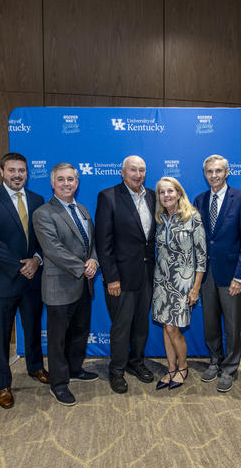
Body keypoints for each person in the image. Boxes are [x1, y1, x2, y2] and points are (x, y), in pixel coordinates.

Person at [0, 153, 49, 410]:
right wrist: (20, 267)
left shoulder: (38, 200)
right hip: (2, 279)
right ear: (1, 171)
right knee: (1, 335)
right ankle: (2, 384)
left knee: (32, 326)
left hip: (33, 277)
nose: (17, 175)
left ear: (27, 173)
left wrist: (37, 260)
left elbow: (42, 238)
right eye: (12, 170)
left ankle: (35, 367)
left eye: (22, 171)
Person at [33, 163, 99, 406]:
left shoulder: (82, 209)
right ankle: (59, 383)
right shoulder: (43, 213)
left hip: (84, 284)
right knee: (58, 337)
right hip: (59, 285)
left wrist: (94, 259)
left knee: (80, 331)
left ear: (77, 182)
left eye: (71, 179)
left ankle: (74, 369)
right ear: (52, 183)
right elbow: (53, 250)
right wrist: (83, 267)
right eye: (61, 179)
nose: (66, 183)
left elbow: (91, 242)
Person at [192, 155, 241, 392]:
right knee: (210, 324)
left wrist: (240, 276)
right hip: (206, 274)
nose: (214, 175)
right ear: (205, 173)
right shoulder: (200, 199)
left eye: (218, 171)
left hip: (232, 276)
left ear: (227, 172)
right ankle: (215, 360)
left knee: (231, 325)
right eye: (209, 171)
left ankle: (230, 368)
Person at [95, 155, 156, 394]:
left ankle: (136, 362)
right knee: (121, 327)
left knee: (141, 325)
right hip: (119, 278)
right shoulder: (108, 196)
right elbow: (104, 243)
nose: (138, 174)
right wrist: (111, 278)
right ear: (122, 172)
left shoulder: (152, 196)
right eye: (133, 170)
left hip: (146, 275)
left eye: (142, 170)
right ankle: (117, 370)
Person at [152, 177, 206, 390]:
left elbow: (201, 256)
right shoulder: (160, 219)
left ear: (179, 193)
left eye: (170, 191)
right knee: (166, 327)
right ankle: (171, 368)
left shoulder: (192, 217)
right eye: (162, 192)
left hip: (183, 284)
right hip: (161, 282)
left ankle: (183, 368)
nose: (166, 195)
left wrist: (196, 287)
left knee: (173, 329)